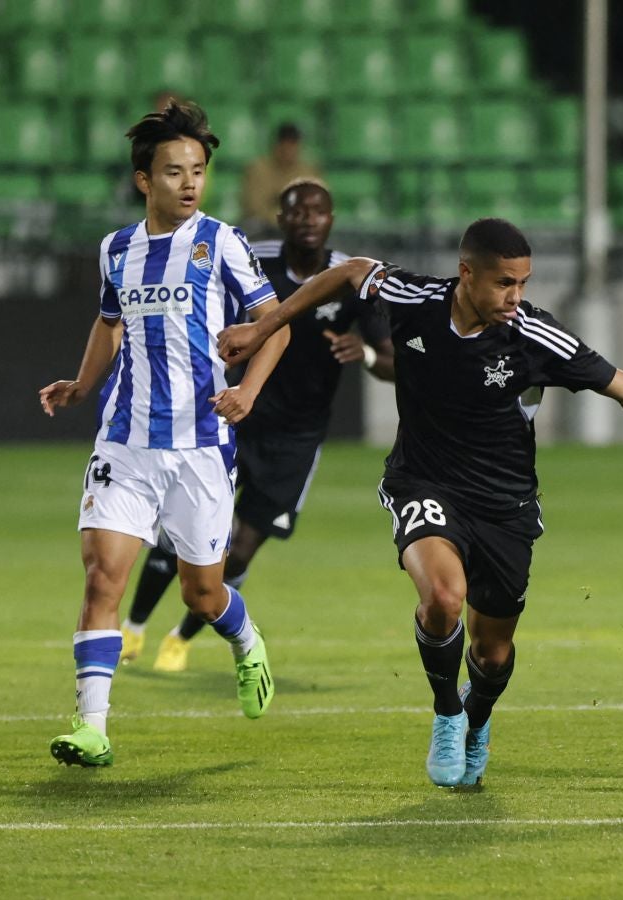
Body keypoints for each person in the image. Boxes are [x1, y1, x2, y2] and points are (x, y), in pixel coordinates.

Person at [216, 217, 623, 788]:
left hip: (505, 504)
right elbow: (349, 273)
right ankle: (448, 714)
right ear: (466, 274)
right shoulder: (413, 296)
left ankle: (476, 716)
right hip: (423, 482)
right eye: (505, 283)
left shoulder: (534, 334)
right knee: (443, 597)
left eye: (523, 283)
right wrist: (265, 327)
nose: (516, 296)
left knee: (492, 652)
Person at [38, 101, 289, 767]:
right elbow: (108, 322)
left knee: (201, 594)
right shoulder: (116, 249)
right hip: (124, 442)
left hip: (201, 449)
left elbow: (277, 324)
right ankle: (93, 726)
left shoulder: (222, 243)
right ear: (144, 180)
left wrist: (247, 392)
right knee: (102, 579)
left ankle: (244, 639)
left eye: (199, 171)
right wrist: (82, 383)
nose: (188, 183)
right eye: (174, 171)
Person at [118, 178, 396, 672]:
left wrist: (368, 351)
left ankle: (181, 637)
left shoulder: (350, 277)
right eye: (298, 211)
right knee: (182, 533)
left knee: (240, 550)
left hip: (298, 437)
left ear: (331, 220)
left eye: (319, 212)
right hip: (233, 415)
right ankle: (133, 628)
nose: (309, 219)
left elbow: (393, 361)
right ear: (282, 218)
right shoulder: (250, 255)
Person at [239, 123, 322, 238]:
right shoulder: (258, 170)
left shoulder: (308, 171)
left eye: (293, 144)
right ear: (276, 145)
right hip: (264, 228)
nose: (289, 150)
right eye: (285, 144)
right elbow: (255, 208)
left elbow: (317, 207)